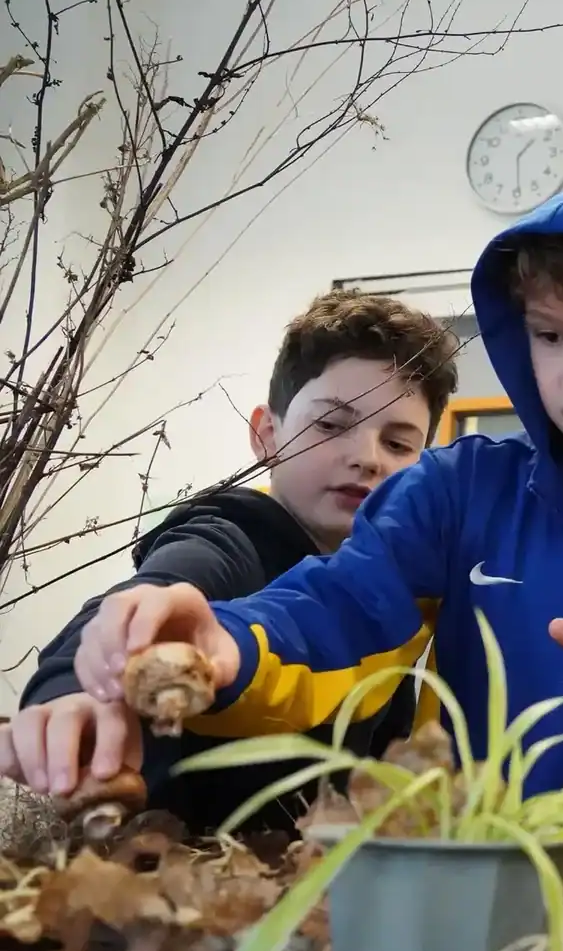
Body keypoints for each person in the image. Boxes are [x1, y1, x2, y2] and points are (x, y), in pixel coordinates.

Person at [67, 175, 563, 830]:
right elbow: (338, 612)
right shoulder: (458, 493)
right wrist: (226, 641)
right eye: (549, 335)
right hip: (471, 889)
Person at [0, 291, 459, 833]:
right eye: (332, 425)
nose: (367, 457)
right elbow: (149, 596)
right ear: (267, 435)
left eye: (398, 444)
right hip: (182, 868)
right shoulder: (231, 540)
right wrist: (73, 700)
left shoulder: (401, 588)